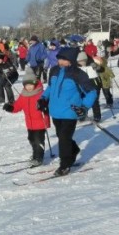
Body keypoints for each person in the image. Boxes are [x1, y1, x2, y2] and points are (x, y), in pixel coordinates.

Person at [38, 47, 98, 176]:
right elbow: (50, 87)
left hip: (71, 111)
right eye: (59, 57)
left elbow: (92, 92)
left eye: (63, 58)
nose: (59, 60)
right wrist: (43, 98)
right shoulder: (54, 70)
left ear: (70, 60)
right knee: (62, 136)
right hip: (55, 110)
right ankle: (74, 150)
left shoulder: (78, 74)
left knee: (64, 139)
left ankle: (65, 165)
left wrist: (85, 107)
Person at [3, 67, 50, 167]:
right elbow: (18, 106)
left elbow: (48, 103)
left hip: (40, 123)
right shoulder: (23, 95)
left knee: (38, 141)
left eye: (31, 84)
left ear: (35, 83)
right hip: (30, 123)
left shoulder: (41, 93)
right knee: (31, 139)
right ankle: (35, 155)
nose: (29, 87)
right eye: (26, 85)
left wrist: (44, 106)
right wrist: (10, 108)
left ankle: (38, 158)